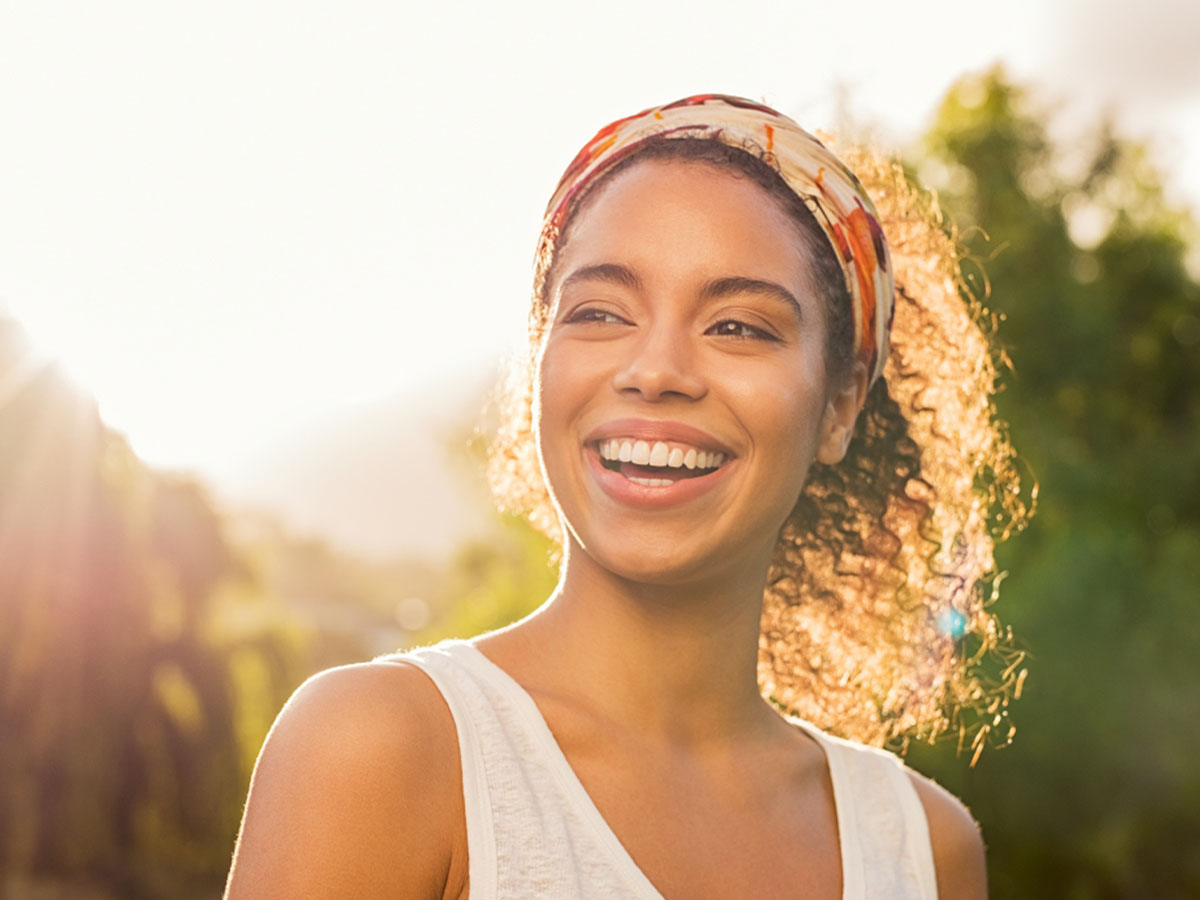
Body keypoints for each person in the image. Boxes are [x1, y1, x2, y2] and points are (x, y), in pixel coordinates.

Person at [224, 94, 1029, 899]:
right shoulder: (382, 749)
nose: (655, 371)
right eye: (600, 312)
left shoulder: (925, 849)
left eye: (738, 327)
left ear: (841, 406)